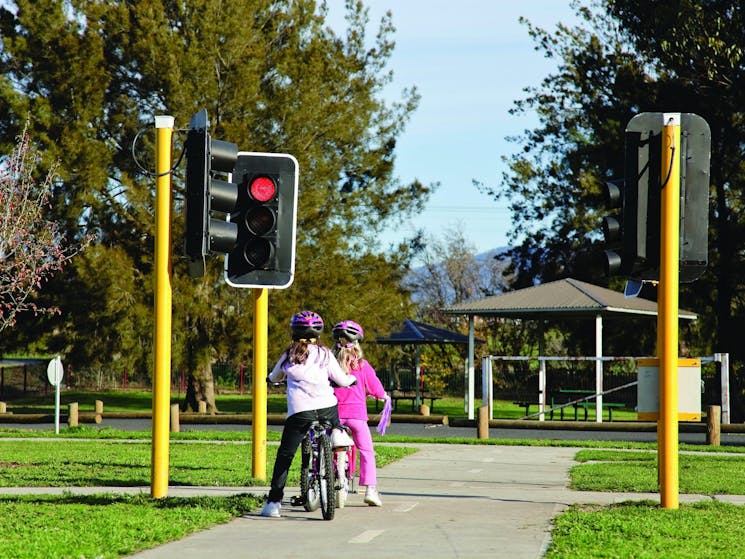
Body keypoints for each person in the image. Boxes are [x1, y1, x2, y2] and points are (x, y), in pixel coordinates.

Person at [260, 310, 355, 518]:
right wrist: (351, 380)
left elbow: (275, 376)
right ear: (318, 334)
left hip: (300, 412)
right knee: (333, 424)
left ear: (293, 332)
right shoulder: (325, 354)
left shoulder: (289, 354)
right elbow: (341, 379)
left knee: (285, 455)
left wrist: (270, 379)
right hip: (326, 407)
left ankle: (273, 503)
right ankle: (337, 444)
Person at [331, 319, 388, 507]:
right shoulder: (362, 365)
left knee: (328, 446)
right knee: (366, 451)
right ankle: (370, 489)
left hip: (333, 414)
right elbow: (375, 387)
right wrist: (382, 396)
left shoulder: (329, 363)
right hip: (356, 416)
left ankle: (331, 478)